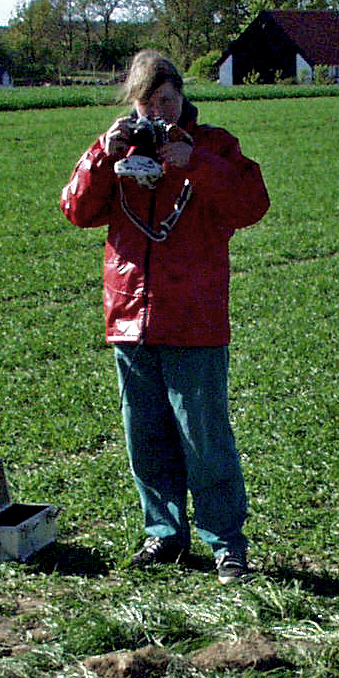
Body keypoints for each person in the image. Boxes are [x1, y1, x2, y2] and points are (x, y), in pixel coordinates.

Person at [59, 51, 270, 582]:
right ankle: (164, 537)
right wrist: (100, 156)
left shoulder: (214, 146)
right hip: (130, 319)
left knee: (205, 440)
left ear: (184, 98)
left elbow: (251, 204)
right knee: (146, 438)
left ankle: (227, 544)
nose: (158, 114)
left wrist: (191, 159)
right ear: (133, 103)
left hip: (193, 318)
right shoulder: (117, 151)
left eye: (168, 101)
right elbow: (77, 211)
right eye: (147, 103)